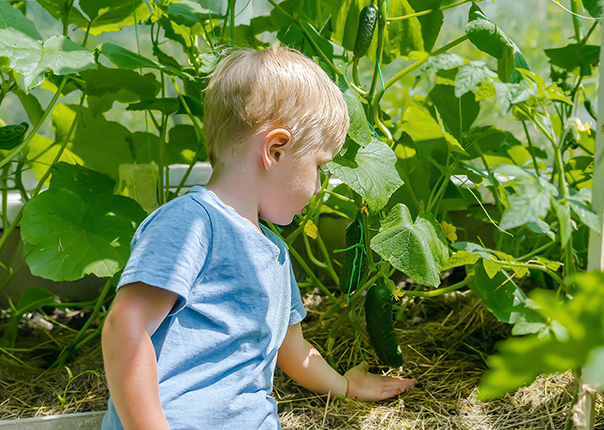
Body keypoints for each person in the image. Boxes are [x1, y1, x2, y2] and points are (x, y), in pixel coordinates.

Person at [101, 43, 416, 429]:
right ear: (276, 150)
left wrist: (346, 386)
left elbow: (294, 351)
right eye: (318, 166)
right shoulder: (190, 224)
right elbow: (125, 328)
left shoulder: (274, 253)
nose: (318, 186)